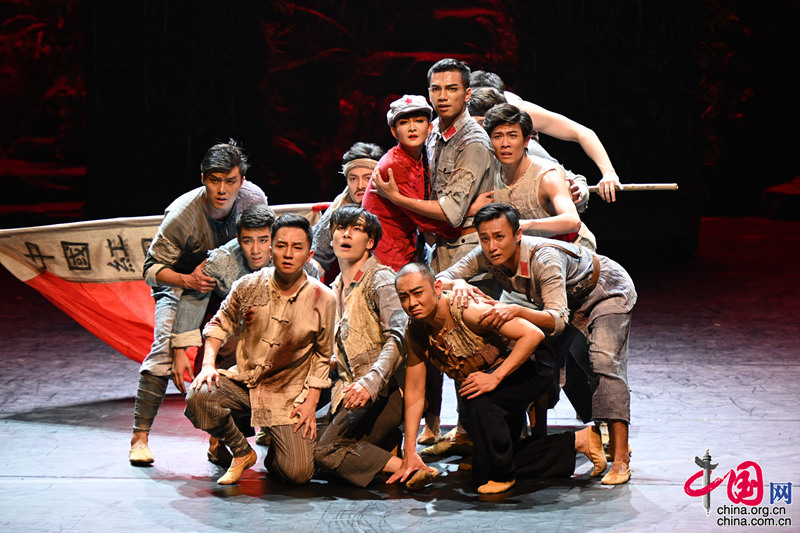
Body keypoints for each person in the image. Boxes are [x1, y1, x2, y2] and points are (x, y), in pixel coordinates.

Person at [437, 204, 637, 485]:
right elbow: (439, 279)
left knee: (603, 362)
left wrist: (519, 311)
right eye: (485, 238)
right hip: (560, 302)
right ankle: (537, 440)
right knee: (537, 359)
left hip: (603, 292)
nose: (492, 246)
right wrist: (457, 284)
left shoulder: (544, 258)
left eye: (499, 237)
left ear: (517, 235)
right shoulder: (485, 254)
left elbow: (557, 320)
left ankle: (620, 458)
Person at [388, 263, 608, 494]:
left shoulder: (468, 309)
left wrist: (495, 377)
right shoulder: (416, 330)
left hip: (531, 364)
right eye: (404, 297)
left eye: (418, 293)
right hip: (494, 376)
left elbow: (533, 335)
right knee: (482, 471)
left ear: (437, 288)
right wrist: (409, 450)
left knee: (478, 399)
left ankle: (502, 474)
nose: (411, 303)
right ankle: (578, 441)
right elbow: (414, 391)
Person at [371, 58, 496, 445]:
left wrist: (397, 198)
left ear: (467, 94)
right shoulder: (432, 136)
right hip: (437, 251)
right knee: (442, 342)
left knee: (472, 343)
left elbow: (450, 212)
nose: (443, 96)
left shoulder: (472, 141)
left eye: (452, 89)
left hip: (468, 251)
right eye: (436, 89)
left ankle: (479, 435)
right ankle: (454, 430)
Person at [129, 140, 267, 465]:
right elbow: (151, 270)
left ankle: (224, 438)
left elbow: (262, 242)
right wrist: (186, 281)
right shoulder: (183, 215)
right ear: (203, 178)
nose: (222, 189)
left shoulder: (253, 199)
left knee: (247, 346)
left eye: (230, 181)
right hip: (180, 283)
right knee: (165, 348)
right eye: (215, 180)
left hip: (228, 281)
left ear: (242, 180)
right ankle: (139, 437)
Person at [184, 214, 335, 485]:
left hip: (289, 395)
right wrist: (207, 365)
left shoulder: (323, 297)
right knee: (200, 395)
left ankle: (280, 446)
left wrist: (311, 402)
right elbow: (218, 324)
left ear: (309, 254)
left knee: (297, 474)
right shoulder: (249, 285)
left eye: (297, 247)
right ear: (270, 249)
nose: (288, 254)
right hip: (247, 384)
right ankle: (242, 452)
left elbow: (324, 355)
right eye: (281, 246)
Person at [314, 206, 434, 489]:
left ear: (370, 242)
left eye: (356, 229)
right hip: (346, 391)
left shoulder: (380, 279)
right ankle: (383, 449)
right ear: (331, 237)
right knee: (298, 449)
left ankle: (408, 468)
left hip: (384, 391)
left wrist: (371, 381)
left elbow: (399, 337)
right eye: (341, 228)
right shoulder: (336, 287)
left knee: (325, 451)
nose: (346, 234)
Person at [470, 70, 621, 203]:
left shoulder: (520, 111)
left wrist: (609, 173)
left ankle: (572, 184)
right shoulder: (462, 112)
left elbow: (582, 132)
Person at [361, 95, 460, 271]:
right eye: (404, 122)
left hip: (405, 249)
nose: (412, 128)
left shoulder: (419, 159)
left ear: (429, 128)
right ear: (394, 132)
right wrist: (468, 221)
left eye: (419, 121)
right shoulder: (393, 164)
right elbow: (424, 218)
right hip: (386, 257)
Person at [483, 103, 596, 249]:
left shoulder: (547, 176)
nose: (505, 144)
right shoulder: (490, 172)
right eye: (498, 136)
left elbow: (572, 221)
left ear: (526, 141)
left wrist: (525, 225)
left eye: (512, 136)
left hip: (569, 248)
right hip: (526, 250)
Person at [466, 87, 588, 212]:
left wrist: (579, 191)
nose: (477, 130)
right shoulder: (470, 151)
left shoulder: (521, 148)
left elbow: (568, 178)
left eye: (482, 123)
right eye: (472, 124)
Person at [312, 142, 385, 272]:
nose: (360, 186)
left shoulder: (394, 206)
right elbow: (318, 255)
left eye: (367, 178)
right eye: (353, 179)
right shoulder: (340, 207)